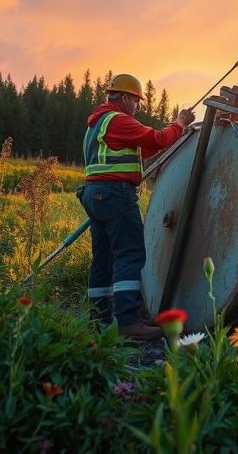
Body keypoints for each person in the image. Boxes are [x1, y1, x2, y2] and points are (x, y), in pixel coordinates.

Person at [78, 73, 195, 341]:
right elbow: (157, 139)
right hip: (115, 195)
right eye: (137, 101)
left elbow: (142, 149)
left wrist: (169, 133)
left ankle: (99, 317)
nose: (138, 107)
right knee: (130, 253)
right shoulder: (118, 120)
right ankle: (128, 321)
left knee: (104, 258)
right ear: (126, 97)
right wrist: (179, 123)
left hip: (94, 195)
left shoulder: (96, 124)